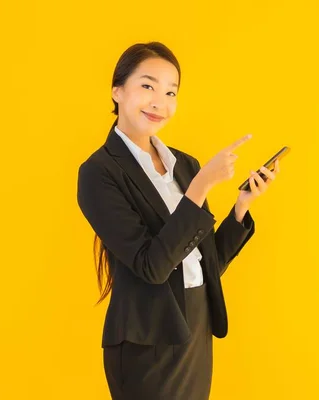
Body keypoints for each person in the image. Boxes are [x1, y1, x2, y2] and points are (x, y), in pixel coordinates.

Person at [76, 42, 281, 400]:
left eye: (171, 92)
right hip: (147, 341)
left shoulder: (184, 165)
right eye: (148, 86)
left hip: (196, 328)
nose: (160, 102)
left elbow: (204, 263)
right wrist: (201, 187)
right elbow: (152, 266)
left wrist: (241, 207)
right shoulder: (98, 173)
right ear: (117, 91)